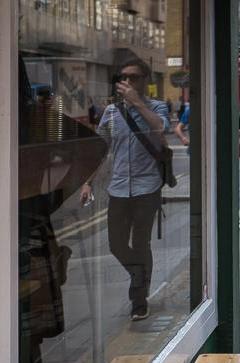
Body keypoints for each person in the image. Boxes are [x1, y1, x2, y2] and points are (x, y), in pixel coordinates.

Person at [80, 57, 170, 321]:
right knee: (116, 244)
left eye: (134, 77)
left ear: (145, 81)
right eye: (124, 78)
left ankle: (138, 300)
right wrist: (87, 182)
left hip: (147, 187)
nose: (128, 82)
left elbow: (159, 129)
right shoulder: (111, 112)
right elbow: (100, 150)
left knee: (141, 243)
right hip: (118, 188)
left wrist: (137, 103)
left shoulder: (157, 107)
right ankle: (139, 274)